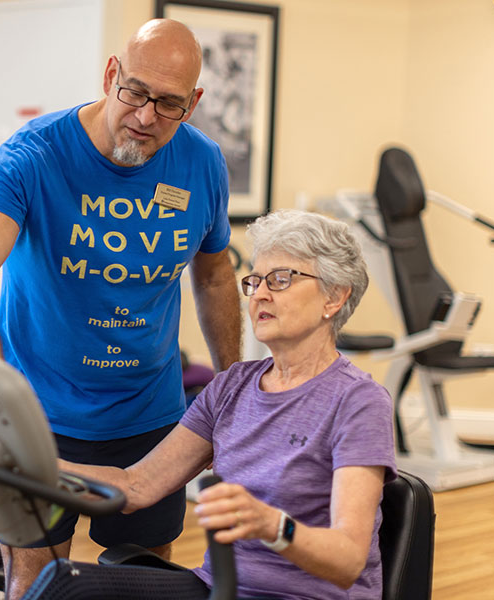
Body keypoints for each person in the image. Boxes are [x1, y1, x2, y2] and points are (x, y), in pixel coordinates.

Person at [0, 18, 242, 599]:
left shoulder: (202, 164)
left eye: (170, 104)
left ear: (194, 102)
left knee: (142, 581)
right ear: (111, 75)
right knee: (36, 582)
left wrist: (231, 387)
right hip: (38, 417)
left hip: (150, 419)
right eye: (135, 92)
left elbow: (214, 274)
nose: (146, 117)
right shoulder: (35, 153)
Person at [24, 210, 397, 600]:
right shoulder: (231, 387)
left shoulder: (358, 401)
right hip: (219, 588)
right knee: (61, 587)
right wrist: (32, 467)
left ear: (335, 296)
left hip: (307, 595)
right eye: (254, 282)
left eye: (281, 279)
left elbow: (349, 559)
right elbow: (136, 486)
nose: (260, 294)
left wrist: (271, 525)